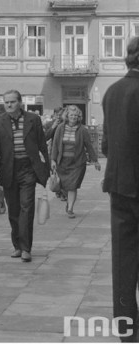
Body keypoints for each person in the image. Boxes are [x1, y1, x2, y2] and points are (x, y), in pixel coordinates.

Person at [102, 36, 139, 343]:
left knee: (123, 260)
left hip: (119, 187)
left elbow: (105, 145)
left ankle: (126, 329)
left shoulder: (112, 92)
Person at [0, 89, 50, 262]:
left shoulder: (33, 119)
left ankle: (26, 248)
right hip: (9, 169)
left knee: (27, 207)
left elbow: (42, 144)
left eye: (12, 102)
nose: (8, 105)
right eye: (6, 102)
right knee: (13, 210)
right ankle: (17, 245)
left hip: (28, 169)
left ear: (20, 102)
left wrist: (47, 166)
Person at [50, 105, 101, 218]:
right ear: (67, 116)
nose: (73, 117)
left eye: (76, 115)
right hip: (62, 162)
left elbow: (89, 146)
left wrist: (95, 161)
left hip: (77, 163)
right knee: (63, 186)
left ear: (79, 117)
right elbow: (55, 145)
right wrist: (53, 160)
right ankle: (68, 199)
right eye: (71, 115)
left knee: (73, 186)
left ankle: (70, 208)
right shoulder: (60, 128)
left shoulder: (83, 130)